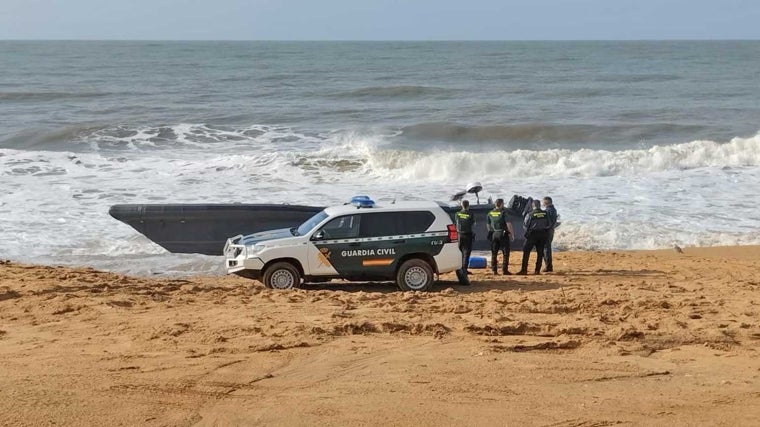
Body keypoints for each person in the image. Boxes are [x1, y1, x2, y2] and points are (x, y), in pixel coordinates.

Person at [518, 199, 551, 275]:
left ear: (533, 206)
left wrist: (527, 233)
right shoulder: (545, 213)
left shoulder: (530, 214)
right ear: (539, 205)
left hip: (532, 234)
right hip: (543, 234)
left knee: (526, 251)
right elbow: (549, 224)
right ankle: (537, 270)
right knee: (540, 253)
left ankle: (524, 270)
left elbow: (525, 225)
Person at [486, 198, 514, 275]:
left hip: (494, 233)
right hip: (503, 234)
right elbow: (508, 224)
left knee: (494, 252)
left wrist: (491, 232)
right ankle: (504, 270)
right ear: (501, 204)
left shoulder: (490, 213)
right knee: (505, 252)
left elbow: (488, 225)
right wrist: (512, 234)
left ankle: (494, 270)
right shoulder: (503, 213)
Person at [455, 200, 475, 275]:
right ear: (468, 206)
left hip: (459, 235)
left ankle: (459, 269)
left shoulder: (457, 214)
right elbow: (473, 223)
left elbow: (456, 222)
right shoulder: (471, 214)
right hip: (467, 235)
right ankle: (464, 269)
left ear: (461, 205)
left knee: (459, 252)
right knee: (466, 253)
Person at [542, 197, 558, 272]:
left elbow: (549, 222)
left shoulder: (548, 211)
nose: (542, 204)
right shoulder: (553, 210)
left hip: (547, 231)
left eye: (543, 202)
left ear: (546, 202)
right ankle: (548, 265)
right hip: (551, 231)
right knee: (546, 248)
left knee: (546, 249)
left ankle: (548, 266)